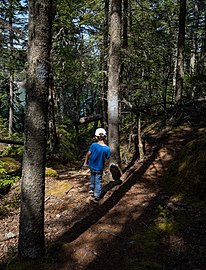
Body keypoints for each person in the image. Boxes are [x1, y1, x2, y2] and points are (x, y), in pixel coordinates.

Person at [83, 128, 110, 203]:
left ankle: (91, 189)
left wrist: (86, 162)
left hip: (92, 166)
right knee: (98, 181)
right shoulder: (107, 148)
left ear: (96, 137)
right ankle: (97, 196)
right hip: (99, 168)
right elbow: (107, 157)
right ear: (105, 137)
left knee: (92, 176)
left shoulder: (93, 145)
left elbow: (88, 154)